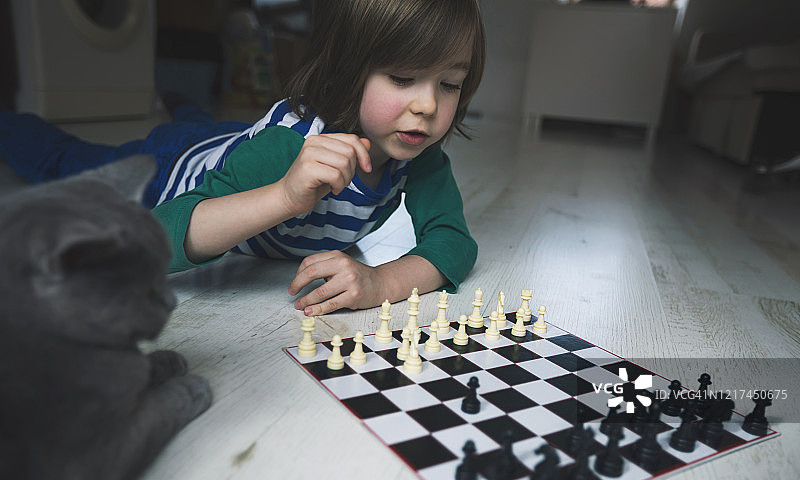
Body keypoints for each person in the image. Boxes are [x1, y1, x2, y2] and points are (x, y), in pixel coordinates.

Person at [0, 0, 485, 316]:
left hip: (229, 141)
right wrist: (283, 196)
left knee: (203, 126)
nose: (427, 105)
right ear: (348, 71)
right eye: (403, 79)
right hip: (172, 168)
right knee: (65, 162)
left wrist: (381, 282)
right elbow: (158, 237)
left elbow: (453, 243)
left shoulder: (416, 151)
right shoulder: (283, 148)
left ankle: (182, 105)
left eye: (449, 84)